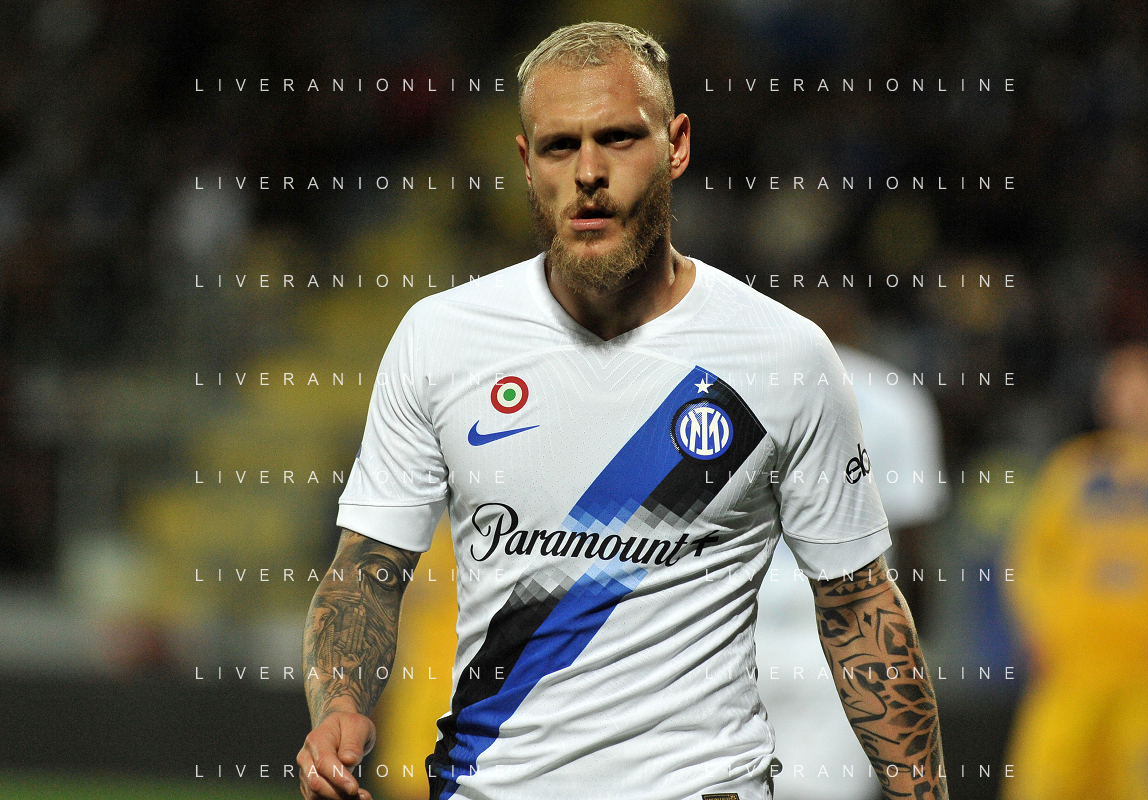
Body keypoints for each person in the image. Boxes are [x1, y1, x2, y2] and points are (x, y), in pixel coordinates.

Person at [296, 22, 947, 800]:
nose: (588, 172)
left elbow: (857, 604)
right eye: (559, 146)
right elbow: (367, 569)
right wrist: (339, 706)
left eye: (617, 138)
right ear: (525, 162)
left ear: (675, 145)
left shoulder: (782, 357)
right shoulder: (440, 341)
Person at [1003, 342, 1148, 800]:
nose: (1131, 395)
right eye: (1119, 384)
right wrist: (1035, 627)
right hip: (1070, 667)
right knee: (1044, 786)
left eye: (1144, 382)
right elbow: (1029, 555)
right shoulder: (1071, 468)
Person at [756, 342, 949, 800]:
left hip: (745, 633)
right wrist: (915, 649)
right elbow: (914, 543)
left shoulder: (728, 380)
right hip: (844, 633)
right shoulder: (892, 395)